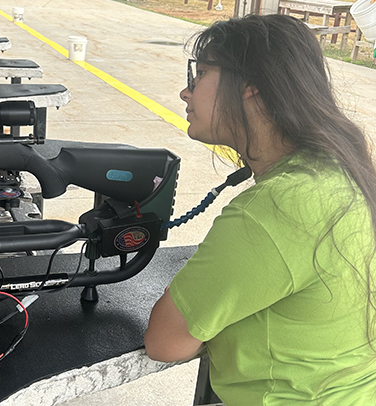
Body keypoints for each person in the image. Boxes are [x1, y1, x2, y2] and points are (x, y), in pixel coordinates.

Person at [144, 14, 376, 405]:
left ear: (251, 84)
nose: (187, 92)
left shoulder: (278, 209)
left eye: (199, 74)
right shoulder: (342, 171)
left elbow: (165, 342)